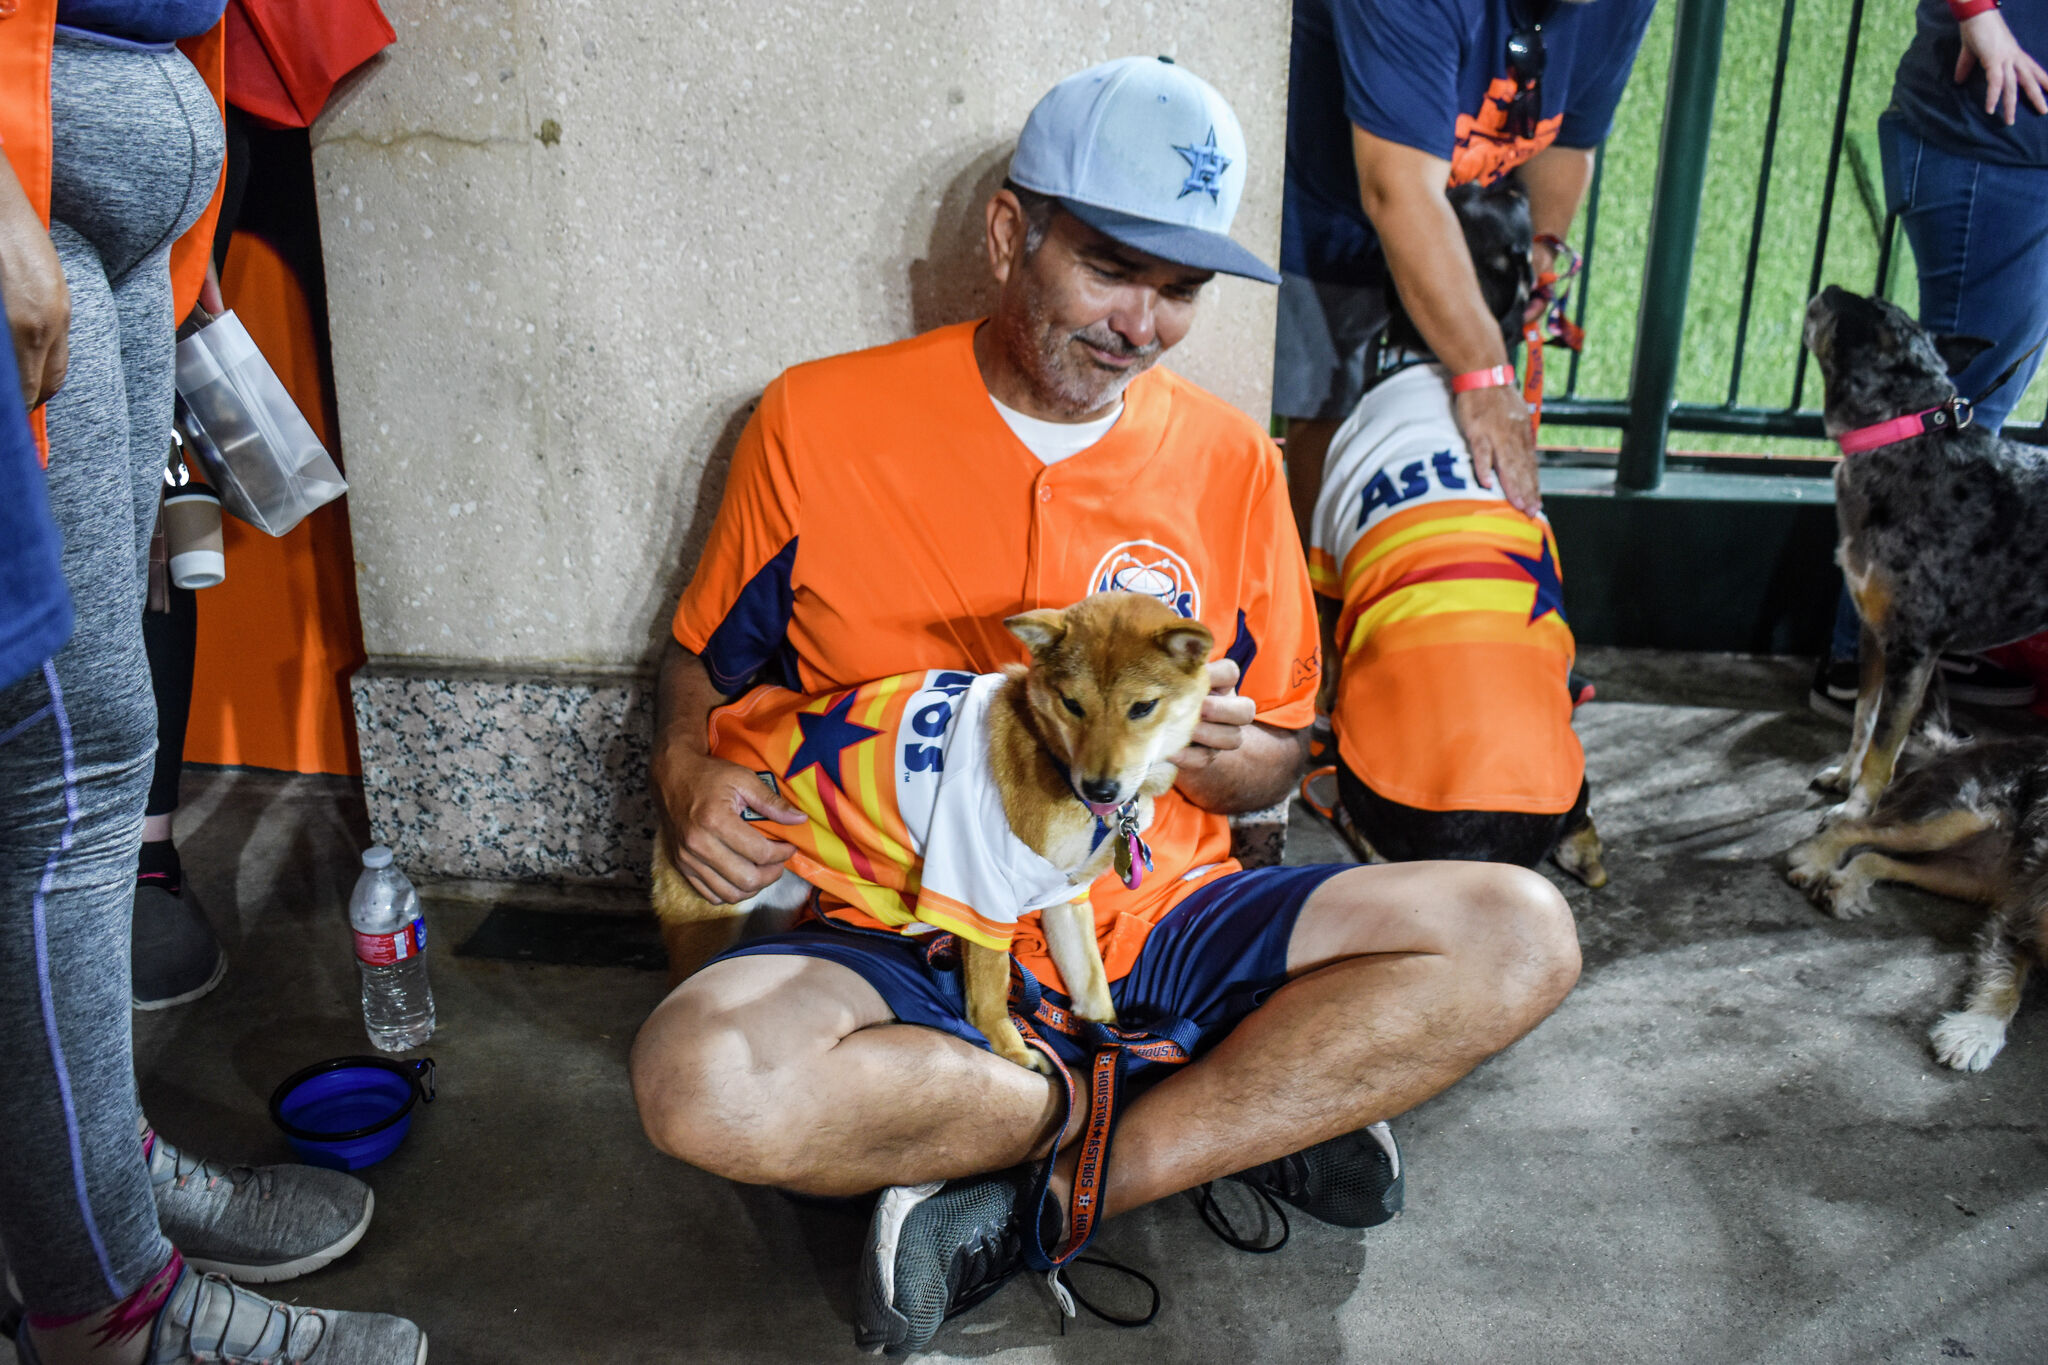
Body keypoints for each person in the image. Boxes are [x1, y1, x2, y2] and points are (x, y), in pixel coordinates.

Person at [630, 56, 1581, 1355]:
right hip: (899, 922)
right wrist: (687, 773)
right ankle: (1219, 1100)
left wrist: (1235, 762)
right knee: (701, 1083)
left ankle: (1068, 1188)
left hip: (1163, 910)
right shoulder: (817, 419)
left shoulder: (1235, 464)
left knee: (1522, 933)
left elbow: (1276, 754)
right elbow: (702, 664)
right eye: (1113, 268)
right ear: (1012, 233)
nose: (1143, 320)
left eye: (1180, 287)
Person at [0, 6, 423, 1361]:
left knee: (84, 752)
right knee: (62, 777)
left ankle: (78, 1180)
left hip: (108, 179)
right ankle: (106, 1312)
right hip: (26, 180)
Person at [1273, 0, 1656, 545]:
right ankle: (1315, 606)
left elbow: (1569, 140)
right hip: (1338, 193)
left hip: (1476, 203)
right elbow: (1396, 189)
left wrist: (1537, 268)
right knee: (1326, 403)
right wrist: (1485, 375)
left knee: (1479, 413)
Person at [1812, 0, 2048, 719]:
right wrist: (1978, 13)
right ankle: (1865, 661)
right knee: (1944, 425)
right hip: (1990, 143)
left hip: (2009, 146)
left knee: (1969, 422)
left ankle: (1924, 633)